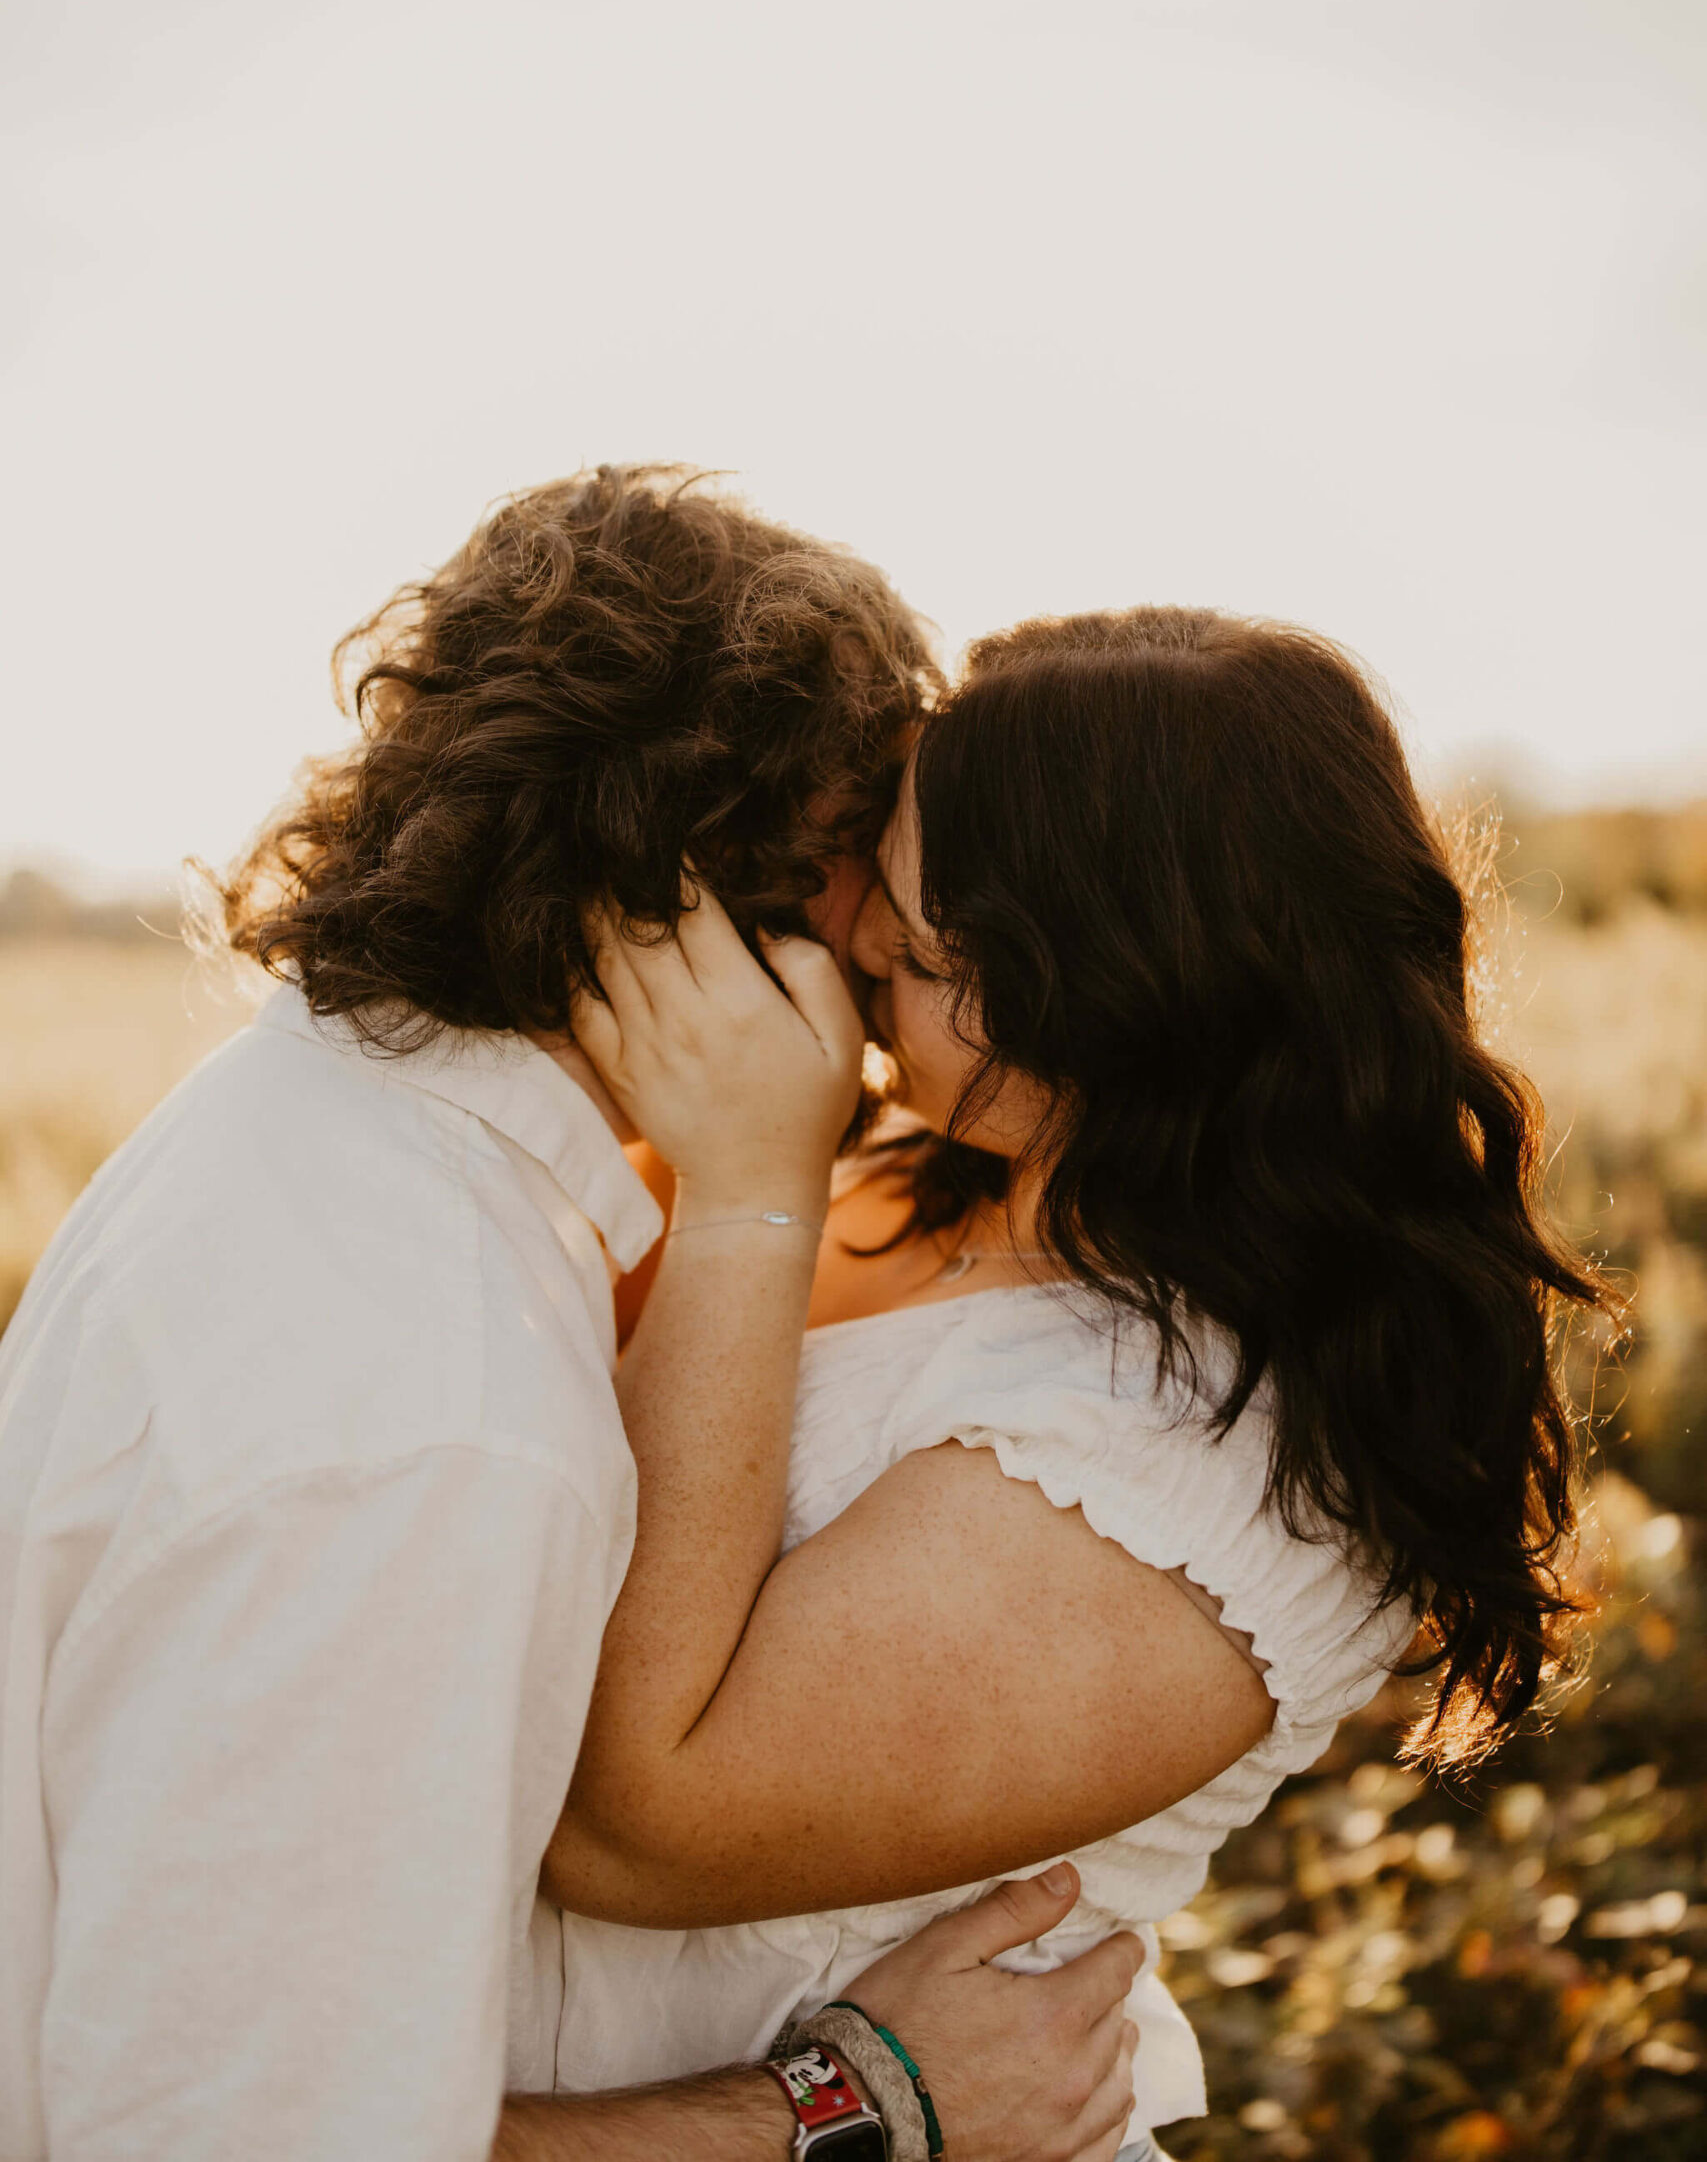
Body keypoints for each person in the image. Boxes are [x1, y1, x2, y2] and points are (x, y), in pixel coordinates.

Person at [0, 469, 1142, 2162]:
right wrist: (856, 2105)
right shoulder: (434, 1416)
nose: (905, 969)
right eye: (865, 885)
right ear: (698, 913)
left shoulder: (299, 1132)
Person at [538, 606, 1616, 2156]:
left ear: (1118, 991)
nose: (846, 941)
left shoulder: (1208, 1470)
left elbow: (628, 1820)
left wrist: (746, 1195)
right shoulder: (933, 1166)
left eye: (914, 939)